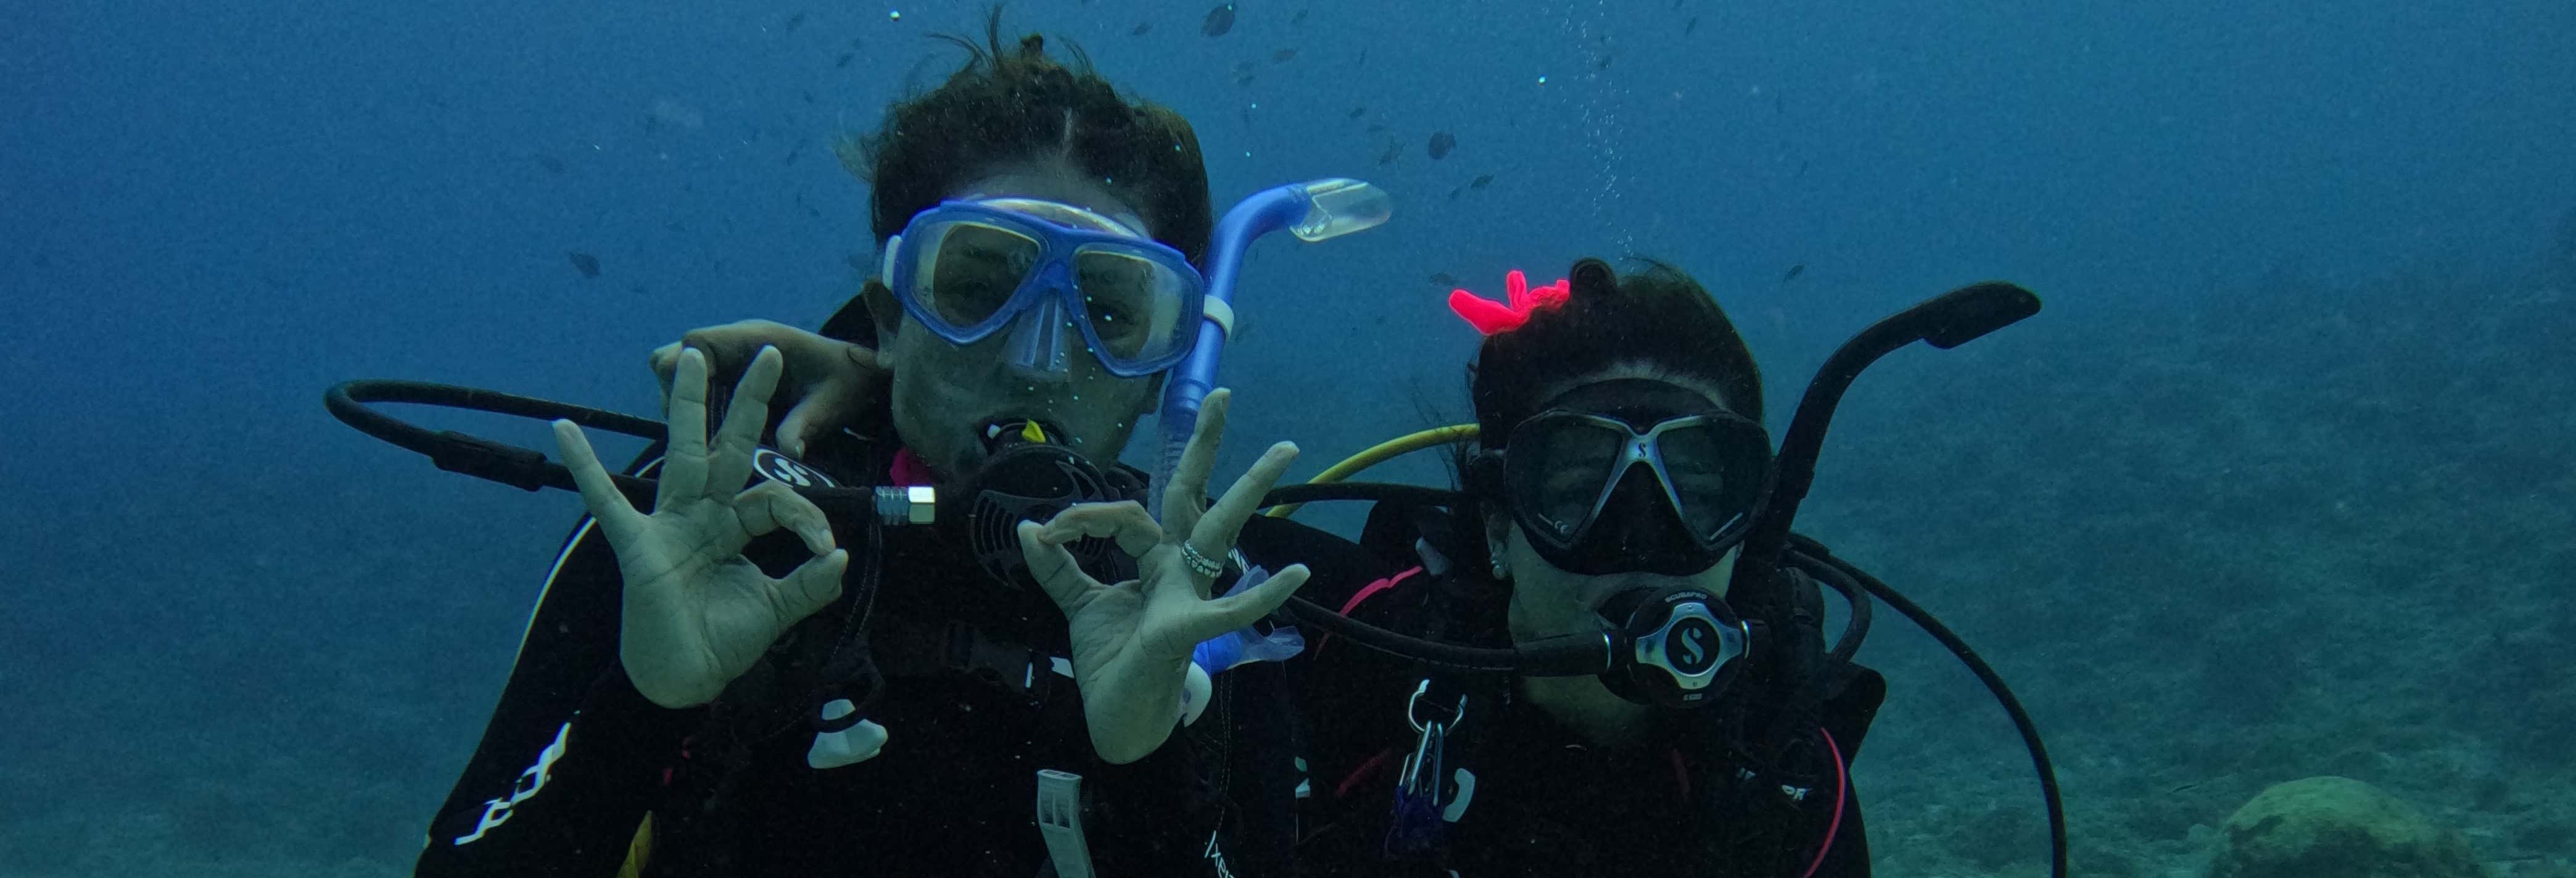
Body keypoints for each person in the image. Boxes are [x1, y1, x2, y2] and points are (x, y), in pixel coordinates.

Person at [415, 20, 1332, 877]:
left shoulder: (1205, 605)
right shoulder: (711, 529)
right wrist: (643, 703)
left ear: (1159, 369)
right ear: (890, 318)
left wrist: (1152, 758)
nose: (1040, 360)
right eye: (977, 287)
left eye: (1108, 313)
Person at [1283, 259, 1886, 876]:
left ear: (1745, 530)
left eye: (1698, 493)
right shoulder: (1360, 646)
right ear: (1499, 526)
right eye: (1575, 491)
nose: (1641, 541)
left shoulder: (1780, 764)